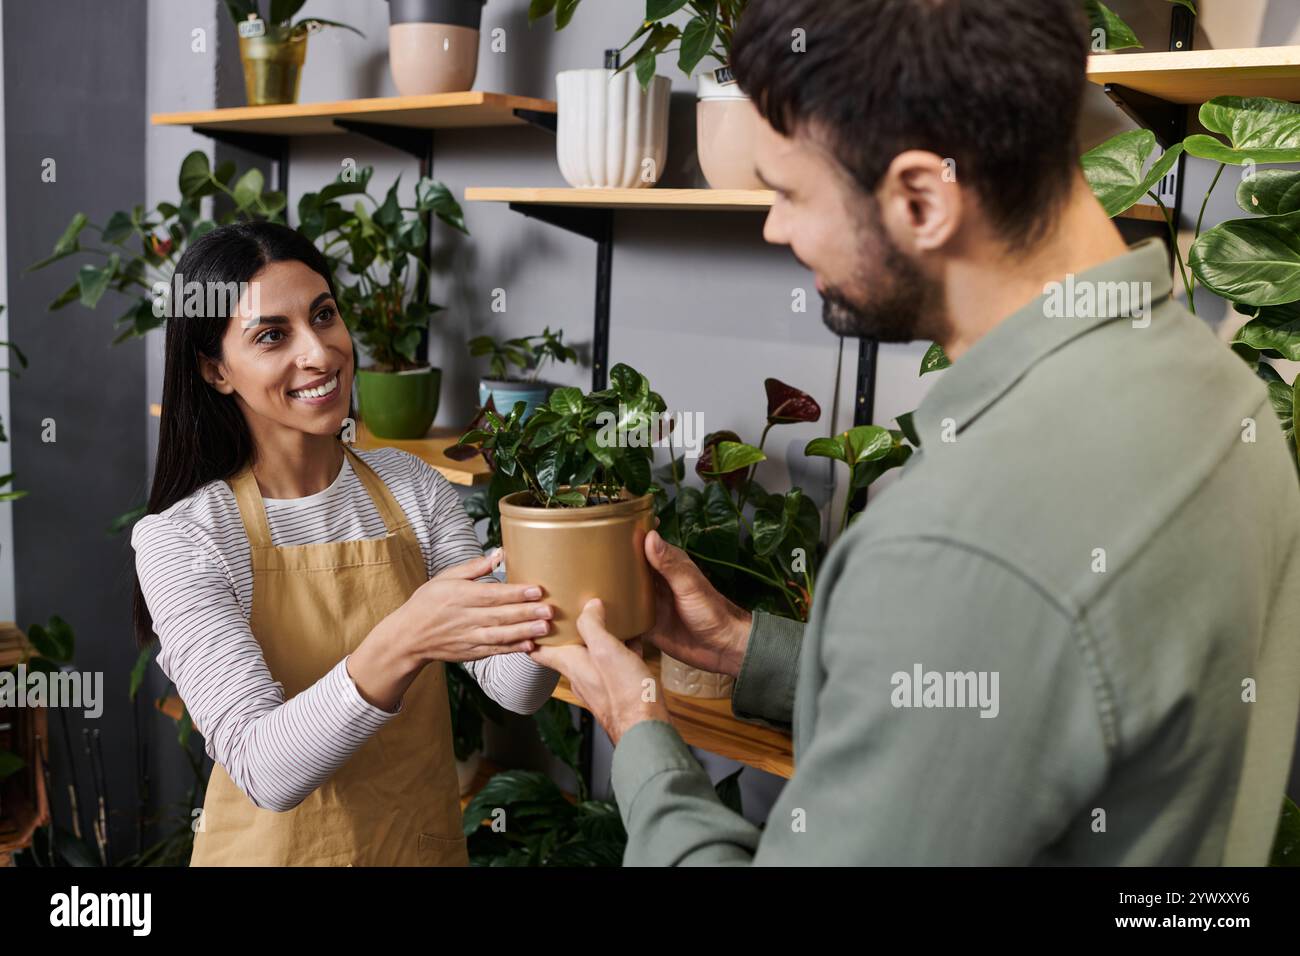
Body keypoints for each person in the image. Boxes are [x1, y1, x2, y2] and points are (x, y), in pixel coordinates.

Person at [530, 0, 1300, 865]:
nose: (774, 226)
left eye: (787, 192)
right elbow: (1034, 698)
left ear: (923, 199)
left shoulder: (959, 543)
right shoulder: (1226, 396)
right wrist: (753, 651)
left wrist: (641, 740)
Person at [131, 221, 558, 866]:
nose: (320, 352)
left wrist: (580, 563)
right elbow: (265, 767)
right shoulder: (187, 536)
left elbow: (516, 684)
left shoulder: (411, 488)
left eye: (324, 315)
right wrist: (408, 637)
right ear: (217, 371)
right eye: (273, 335)